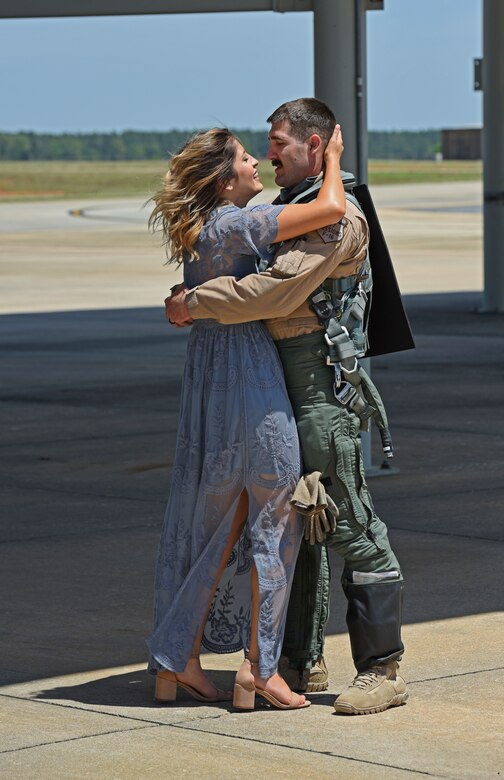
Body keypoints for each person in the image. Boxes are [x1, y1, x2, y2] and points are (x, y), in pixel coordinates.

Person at [165, 98, 408, 716]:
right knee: (297, 527)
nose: (269, 154)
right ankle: (293, 659)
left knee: (348, 522)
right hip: (280, 383)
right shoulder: (292, 208)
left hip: (319, 392)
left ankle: (383, 668)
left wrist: (196, 301)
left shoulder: (336, 216)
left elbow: (272, 292)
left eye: (278, 143)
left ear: (318, 145)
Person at [146, 124, 347, 711]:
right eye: (243, 158)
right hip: (248, 372)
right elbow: (331, 206)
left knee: (215, 520)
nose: (257, 162)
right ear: (223, 178)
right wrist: (330, 156)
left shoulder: (198, 231)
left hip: (206, 379)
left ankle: (176, 660)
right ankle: (258, 669)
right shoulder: (236, 223)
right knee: (276, 514)